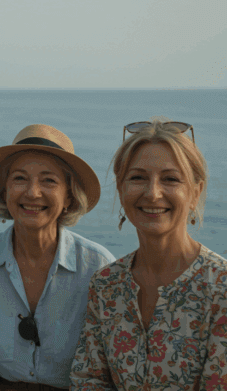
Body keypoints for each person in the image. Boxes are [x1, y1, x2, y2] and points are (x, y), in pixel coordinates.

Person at [71, 119, 227, 390]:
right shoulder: (107, 284)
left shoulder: (221, 287)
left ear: (195, 192)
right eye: (138, 178)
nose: (153, 193)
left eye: (170, 179)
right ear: (121, 189)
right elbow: (89, 379)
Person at [0, 124, 115, 391]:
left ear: (68, 196)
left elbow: (105, 368)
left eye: (49, 180)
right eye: (20, 179)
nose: (32, 192)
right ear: (4, 190)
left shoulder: (97, 266)